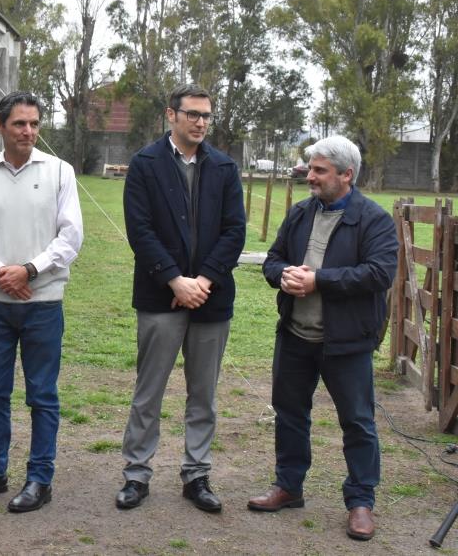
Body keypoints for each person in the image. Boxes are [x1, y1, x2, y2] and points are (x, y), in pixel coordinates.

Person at [248, 136, 397, 541]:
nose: (309, 176)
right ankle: (289, 486)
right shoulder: (299, 214)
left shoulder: (374, 219)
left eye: (319, 171)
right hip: (296, 335)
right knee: (290, 413)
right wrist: (282, 275)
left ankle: (361, 501)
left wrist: (319, 281)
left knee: (357, 422)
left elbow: (380, 273)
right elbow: (273, 258)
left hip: (347, 343)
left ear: (346, 175)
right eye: (310, 169)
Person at [117, 83, 245, 513]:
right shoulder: (145, 164)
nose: (201, 122)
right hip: (160, 297)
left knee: (203, 394)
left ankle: (197, 474)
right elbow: (140, 230)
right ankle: (136, 474)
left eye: (207, 115)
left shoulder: (225, 168)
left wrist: (203, 280)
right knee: (148, 392)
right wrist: (175, 281)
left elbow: (234, 232)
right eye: (192, 114)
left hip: (211, 299)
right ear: (170, 115)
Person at [0, 91, 84, 513]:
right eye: (19, 124)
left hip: (43, 301)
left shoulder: (60, 172)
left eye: (34, 124)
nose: (28, 131)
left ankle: (39, 479)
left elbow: (70, 237)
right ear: (0, 126)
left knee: (42, 395)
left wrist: (27, 270)